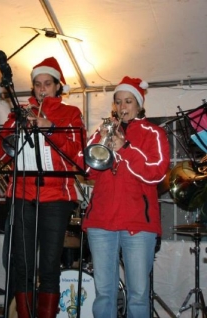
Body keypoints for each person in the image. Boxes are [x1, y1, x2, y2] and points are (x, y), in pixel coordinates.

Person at [0, 57, 85, 318]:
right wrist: (14, 131)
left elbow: (78, 156)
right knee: (22, 265)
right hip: (23, 195)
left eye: (47, 84)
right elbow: (2, 153)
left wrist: (51, 127)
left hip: (56, 197)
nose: (42, 89)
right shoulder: (18, 112)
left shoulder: (71, 114)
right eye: (37, 84)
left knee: (48, 267)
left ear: (57, 86)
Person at [81, 76, 170, 317]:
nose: (122, 107)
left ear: (139, 105)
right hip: (101, 222)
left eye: (128, 101)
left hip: (138, 225)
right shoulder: (105, 130)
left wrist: (127, 149)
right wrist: (100, 140)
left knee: (138, 296)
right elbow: (86, 170)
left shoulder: (154, 133)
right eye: (118, 102)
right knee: (104, 293)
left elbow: (157, 173)